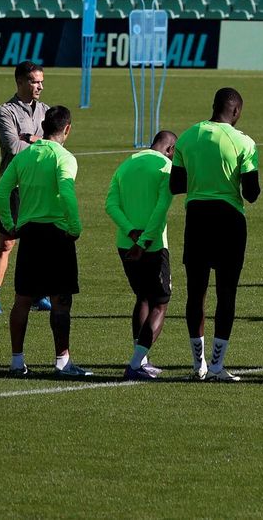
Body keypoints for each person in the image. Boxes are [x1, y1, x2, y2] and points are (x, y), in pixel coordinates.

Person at [172, 87, 259, 381]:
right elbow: (252, 193)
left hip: (196, 218)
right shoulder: (243, 142)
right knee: (226, 293)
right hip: (229, 221)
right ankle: (218, 365)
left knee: (196, 293)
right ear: (235, 112)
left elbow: (176, 185)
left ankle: (198, 366)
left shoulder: (186, 137)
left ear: (214, 106)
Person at [0, 106, 87, 378]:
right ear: (67, 129)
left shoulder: (24, 157)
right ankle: (62, 362)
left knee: (22, 299)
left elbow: (2, 191)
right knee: (60, 301)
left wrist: (10, 225)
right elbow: (67, 192)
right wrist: (75, 226)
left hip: (30, 234)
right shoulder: (65, 157)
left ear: (42, 127)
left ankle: (16, 361)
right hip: (58, 235)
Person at [107, 131, 176, 381]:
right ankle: (135, 364)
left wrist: (131, 232)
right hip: (154, 245)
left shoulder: (126, 164)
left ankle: (142, 360)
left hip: (125, 243)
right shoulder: (165, 167)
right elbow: (161, 209)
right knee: (160, 302)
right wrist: (145, 240)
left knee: (143, 298)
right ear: (171, 149)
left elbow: (110, 205)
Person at [0, 61, 49, 315]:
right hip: (14, 186)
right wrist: (39, 142)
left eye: (41, 81)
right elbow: (13, 147)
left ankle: (38, 293)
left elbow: (55, 144)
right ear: (21, 82)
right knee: (7, 242)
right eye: (35, 81)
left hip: (39, 187)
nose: (40, 86)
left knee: (38, 243)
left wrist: (30, 139)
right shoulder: (5, 111)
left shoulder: (46, 110)